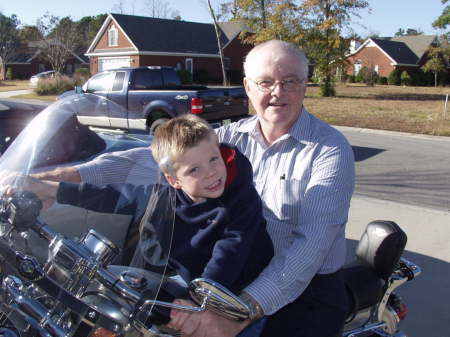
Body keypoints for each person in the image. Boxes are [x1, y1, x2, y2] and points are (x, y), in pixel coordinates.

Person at [8, 114, 274, 336]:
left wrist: (200, 302)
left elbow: (232, 248)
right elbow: (116, 196)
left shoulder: (241, 196)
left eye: (214, 159)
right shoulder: (166, 194)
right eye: (195, 169)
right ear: (174, 180)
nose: (212, 172)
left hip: (234, 291)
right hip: (188, 280)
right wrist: (53, 190)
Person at [168, 40, 355, 337]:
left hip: (308, 293)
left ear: (305, 85)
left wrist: (238, 316)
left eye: (290, 81)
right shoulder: (226, 139)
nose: (277, 93)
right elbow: (163, 161)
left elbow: (310, 247)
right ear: (247, 86)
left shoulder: (330, 149)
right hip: (239, 277)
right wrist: (78, 172)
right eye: (265, 82)